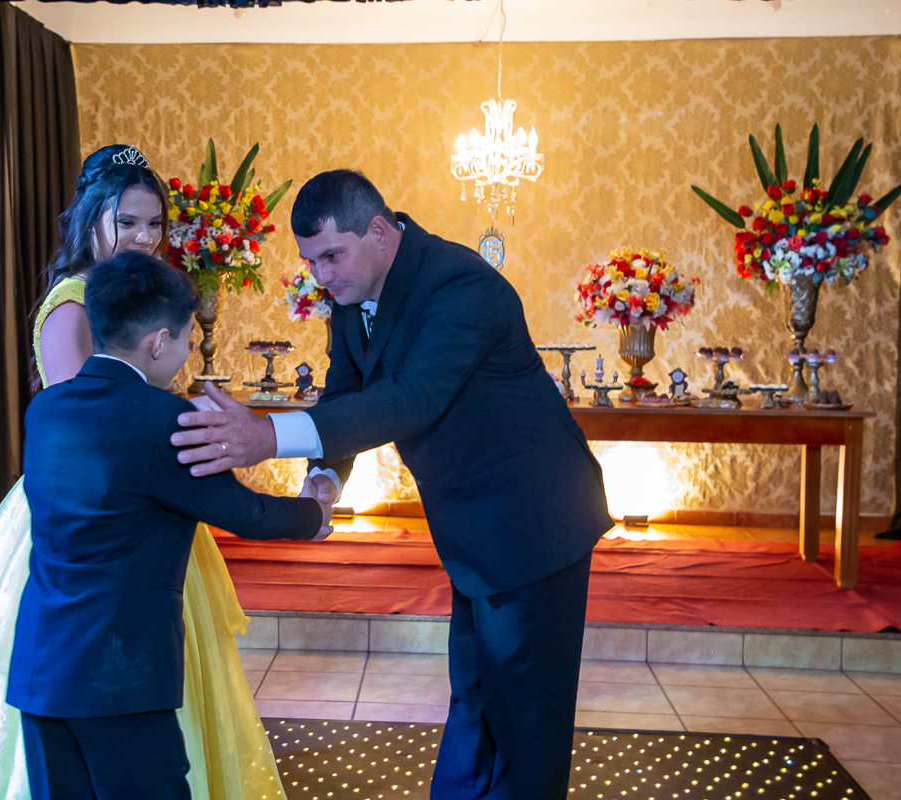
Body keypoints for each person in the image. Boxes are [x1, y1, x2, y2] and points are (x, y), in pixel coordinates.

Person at [170, 170, 611, 800]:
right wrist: (323, 482)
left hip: (534, 521)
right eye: (310, 261)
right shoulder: (354, 296)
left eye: (331, 256)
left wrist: (266, 437)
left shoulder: (460, 284)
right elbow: (346, 393)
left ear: (378, 231)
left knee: (525, 713)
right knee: (477, 698)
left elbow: (411, 399)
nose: (320, 275)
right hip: (473, 525)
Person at [0, 145, 290, 800]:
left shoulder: (134, 299)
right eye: (127, 222)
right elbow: (92, 425)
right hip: (93, 508)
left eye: (154, 224)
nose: (144, 237)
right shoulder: (75, 301)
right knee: (102, 675)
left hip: (142, 503)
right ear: (91, 219)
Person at [9, 251, 333, 800]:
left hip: (41, 669)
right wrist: (315, 513)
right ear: (159, 342)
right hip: (120, 676)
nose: (185, 351)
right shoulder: (165, 420)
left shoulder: (46, 409)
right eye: (185, 338)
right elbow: (246, 513)